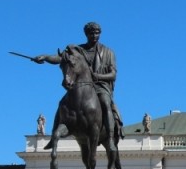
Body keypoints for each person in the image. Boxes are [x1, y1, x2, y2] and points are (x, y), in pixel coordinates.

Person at [34, 22, 122, 151]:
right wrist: (45, 57)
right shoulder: (77, 51)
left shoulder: (108, 52)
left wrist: (97, 76)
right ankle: (54, 137)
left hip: (100, 86)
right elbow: (60, 58)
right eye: (91, 33)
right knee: (62, 103)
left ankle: (109, 138)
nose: (94, 35)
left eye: (97, 33)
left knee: (105, 102)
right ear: (86, 34)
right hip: (80, 86)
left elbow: (113, 74)